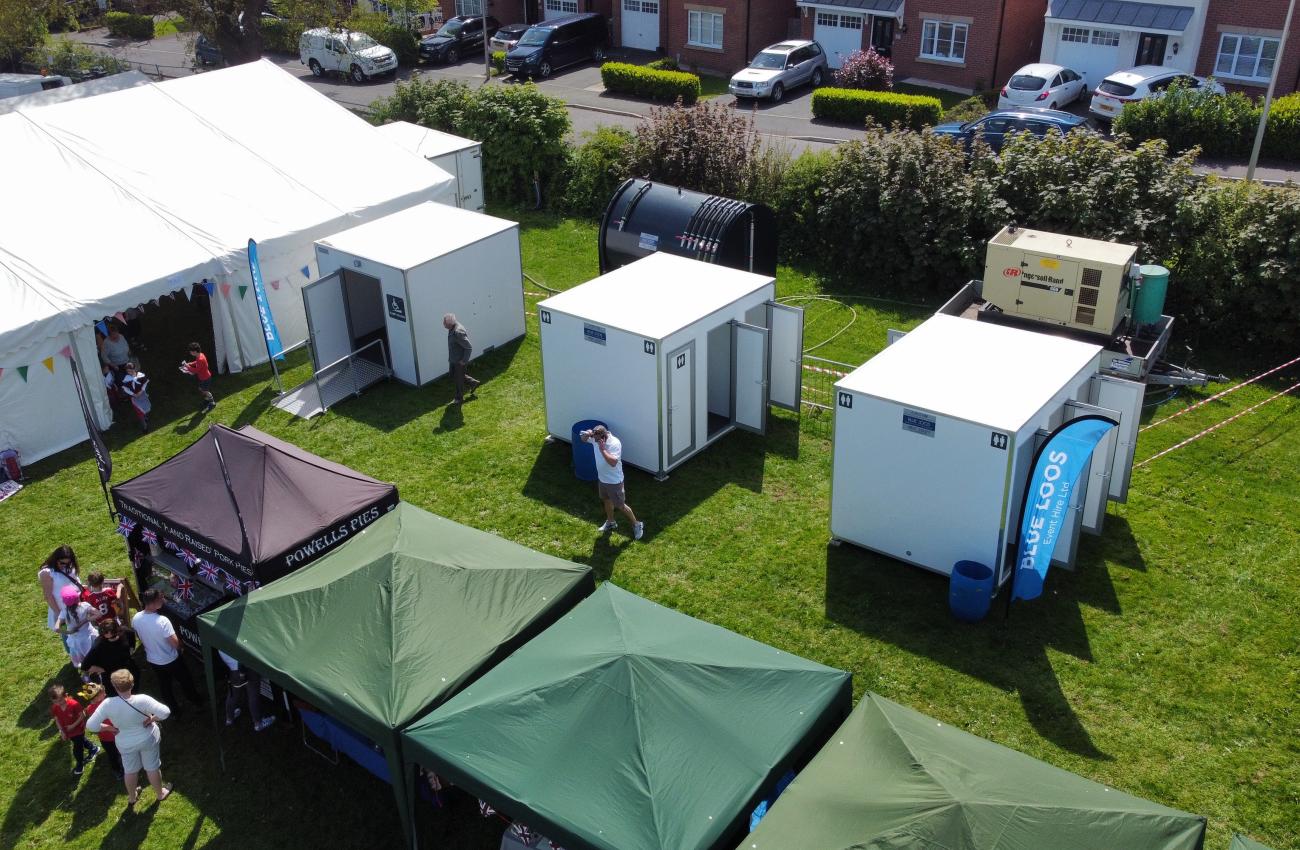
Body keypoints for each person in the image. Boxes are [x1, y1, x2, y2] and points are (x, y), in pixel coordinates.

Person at [86, 669, 173, 809]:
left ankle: (132, 798)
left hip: (125, 742)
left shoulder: (108, 704)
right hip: (148, 738)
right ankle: (160, 793)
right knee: (152, 767)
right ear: (132, 684)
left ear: (114, 686)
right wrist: (152, 719)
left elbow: (91, 726)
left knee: (130, 770)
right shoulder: (143, 699)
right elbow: (165, 712)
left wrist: (110, 728)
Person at [131, 589, 202, 715]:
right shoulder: (162, 621)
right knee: (185, 681)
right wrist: (182, 646)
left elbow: (139, 635)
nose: (163, 601)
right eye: (160, 599)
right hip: (171, 659)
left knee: (165, 685)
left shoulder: (136, 618)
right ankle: (196, 701)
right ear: (153, 602)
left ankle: (173, 711)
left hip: (153, 660)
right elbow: (175, 644)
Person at [580, 425, 644, 540]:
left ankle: (637, 524)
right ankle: (611, 522)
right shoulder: (596, 438)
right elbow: (583, 440)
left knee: (620, 505)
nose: (593, 440)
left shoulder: (614, 443)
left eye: (595, 439)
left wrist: (602, 449)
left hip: (614, 481)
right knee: (606, 500)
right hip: (602, 479)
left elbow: (613, 462)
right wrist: (587, 434)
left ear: (603, 438)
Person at [38, 545, 82, 653]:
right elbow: (48, 596)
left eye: (68, 563)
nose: (65, 565)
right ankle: (74, 658)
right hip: (62, 608)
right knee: (68, 635)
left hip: (78, 604)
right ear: (56, 559)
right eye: (62, 563)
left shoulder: (70, 566)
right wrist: (58, 614)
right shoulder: (47, 573)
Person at [49, 683, 99, 776]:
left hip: (78, 729)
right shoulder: (55, 707)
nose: (59, 703)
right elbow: (57, 720)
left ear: (66, 695)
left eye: (60, 700)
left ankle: (80, 764)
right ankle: (93, 748)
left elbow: (82, 715)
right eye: (56, 701)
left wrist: (73, 725)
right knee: (78, 741)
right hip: (68, 731)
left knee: (77, 748)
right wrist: (61, 731)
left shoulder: (73, 704)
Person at [219, 651, 275, 732]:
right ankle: (258, 723)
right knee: (253, 695)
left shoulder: (219, 639)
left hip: (232, 669)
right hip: (247, 667)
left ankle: (229, 718)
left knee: (233, 694)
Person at [82, 619, 140, 691]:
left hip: (129, 669)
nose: (112, 638)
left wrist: (131, 649)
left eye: (114, 635)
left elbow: (131, 636)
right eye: (105, 634)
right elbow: (85, 665)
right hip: (112, 676)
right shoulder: (99, 645)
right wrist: (102, 669)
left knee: (133, 689)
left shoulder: (126, 632)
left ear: (118, 630)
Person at [82, 682, 124, 780]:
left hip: (106, 737)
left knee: (114, 754)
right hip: (112, 735)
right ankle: (118, 770)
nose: (105, 693)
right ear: (95, 697)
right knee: (115, 754)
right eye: (102, 692)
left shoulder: (89, 709)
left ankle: (119, 769)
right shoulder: (106, 703)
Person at [55, 586, 99, 669]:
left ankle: (86, 674)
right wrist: (86, 620)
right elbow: (98, 614)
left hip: (75, 641)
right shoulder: (85, 606)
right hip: (88, 636)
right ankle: (96, 670)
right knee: (93, 655)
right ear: (77, 598)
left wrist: (70, 632)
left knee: (82, 661)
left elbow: (56, 628)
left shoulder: (64, 611)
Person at [443, 313, 479, 405]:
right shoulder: (452, 328)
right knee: (453, 375)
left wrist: (464, 360)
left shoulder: (458, 332)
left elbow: (468, 347)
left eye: (444, 322)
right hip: (453, 359)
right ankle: (473, 382)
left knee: (459, 380)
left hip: (459, 361)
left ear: (450, 324)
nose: (443, 324)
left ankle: (459, 398)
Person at [178, 342, 216, 412]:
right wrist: (190, 364)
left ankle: (212, 402)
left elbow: (195, 370)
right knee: (201, 389)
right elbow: (196, 363)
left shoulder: (200, 359)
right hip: (203, 377)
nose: (190, 353)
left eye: (191, 352)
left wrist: (187, 366)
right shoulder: (200, 355)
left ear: (195, 351)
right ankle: (207, 399)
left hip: (205, 378)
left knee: (205, 391)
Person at [120, 362, 151, 433]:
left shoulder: (140, 375)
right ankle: (145, 427)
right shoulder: (126, 379)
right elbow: (126, 389)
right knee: (139, 411)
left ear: (134, 369)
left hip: (142, 395)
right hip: (134, 397)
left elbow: (145, 383)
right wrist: (133, 394)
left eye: (131, 371)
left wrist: (141, 391)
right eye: (128, 371)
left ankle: (145, 416)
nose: (130, 372)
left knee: (145, 407)